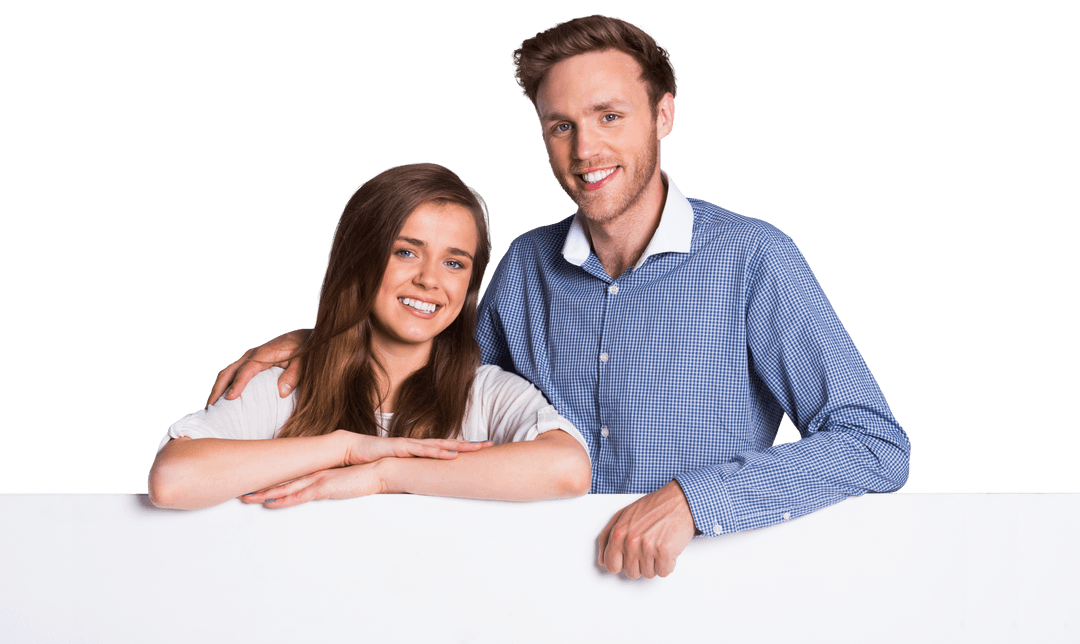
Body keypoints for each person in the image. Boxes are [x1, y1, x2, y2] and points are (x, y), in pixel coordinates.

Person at [208, 16, 911, 578]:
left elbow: (874, 443)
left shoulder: (753, 259)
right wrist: (324, 339)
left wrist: (697, 500)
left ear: (664, 115)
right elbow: (437, 369)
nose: (585, 151)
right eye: (561, 126)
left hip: (698, 594)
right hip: (529, 593)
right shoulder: (525, 266)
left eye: (610, 116)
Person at [149, 163, 591, 510]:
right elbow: (173, 480)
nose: (429, 280)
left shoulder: (488, 394)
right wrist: (346, 448)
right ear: (361, 261)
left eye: (454, 263)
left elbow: (568, 469)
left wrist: (384, 474)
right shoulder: (285, 385)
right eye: (406, 252)